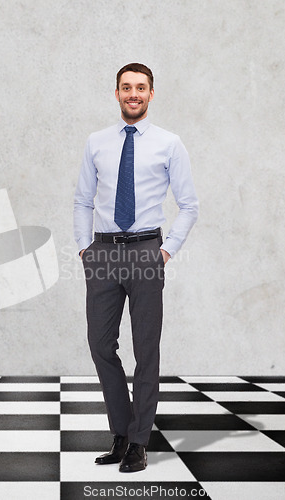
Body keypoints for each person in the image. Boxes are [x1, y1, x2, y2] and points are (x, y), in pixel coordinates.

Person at [73, 63, 198, 473]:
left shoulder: (169, 143)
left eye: (140, 88)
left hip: (146, 250)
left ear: (151, 94)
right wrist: (84, 250)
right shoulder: (97, 142)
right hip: (104, 253)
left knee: (146, 350)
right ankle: (121, 432)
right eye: (126, 87)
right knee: (100, 346)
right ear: (116, 93)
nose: (133, 94)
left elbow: (189, 205)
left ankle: (139, 441)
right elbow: (82, 201)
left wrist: (165, 252)